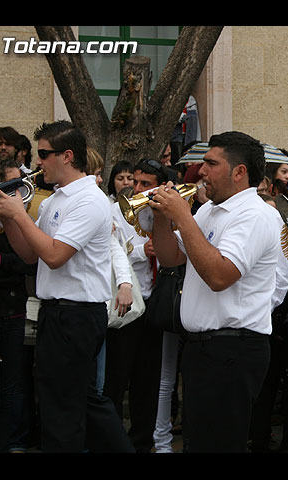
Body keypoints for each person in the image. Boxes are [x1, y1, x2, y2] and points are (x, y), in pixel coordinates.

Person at [0, 120, 133, 453]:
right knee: (75, 401)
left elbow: (55, 256)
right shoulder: (56, 200)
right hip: (59, 313)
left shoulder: (88, 201)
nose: (38, 163)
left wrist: (20, 216)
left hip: (77, 314)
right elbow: (30, 254)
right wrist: (11, 218)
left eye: (43, 154)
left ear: (67, 156)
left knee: (63, 410)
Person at [149, 130, 281, 453]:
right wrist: (162, 219)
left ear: (239, 173)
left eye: (211, 163)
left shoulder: (256, 214)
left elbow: (220, 275)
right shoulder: (209, 210)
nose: (202, 171)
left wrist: (182, 215)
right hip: (204, 349)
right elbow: (171, 258)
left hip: (233, 349)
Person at [104, 158, 169, 453]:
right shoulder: (116, 210)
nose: (136, 187)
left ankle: (142, 443)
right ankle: (114, 441)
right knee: (116, 379)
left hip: (156, 303)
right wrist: (141, 251)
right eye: (135, 181)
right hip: (127, 305)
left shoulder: (166, 211)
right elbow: (110, 254)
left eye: (145, 184)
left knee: (148, 379)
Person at [0, 159, 37, 453]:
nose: (17, 193)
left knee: (15, 382)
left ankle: (16, 442)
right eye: (10, 186)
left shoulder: (22, 219)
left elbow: (29, 263)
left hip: (13, 310)